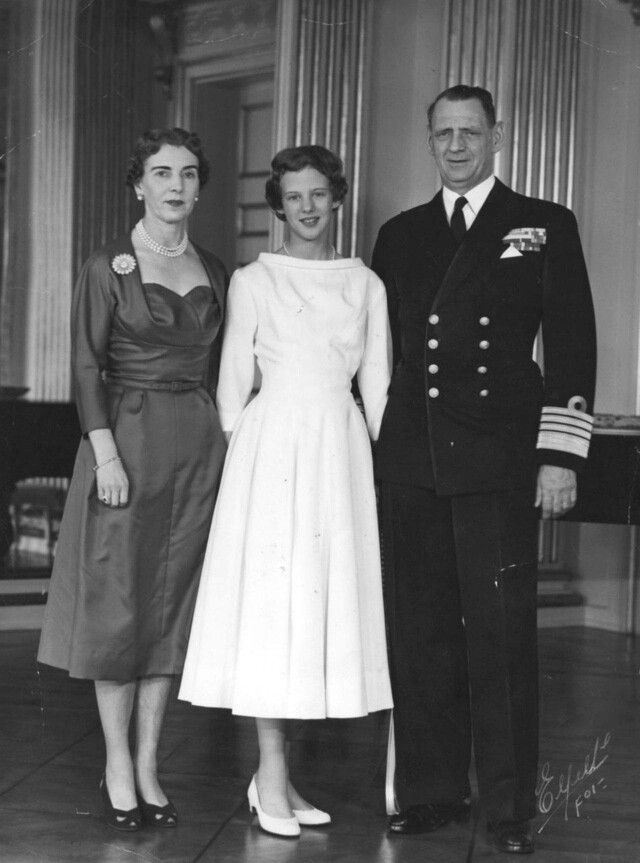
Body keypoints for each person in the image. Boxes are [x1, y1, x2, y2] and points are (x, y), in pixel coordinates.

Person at [371, 85, 596, 854]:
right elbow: (381, 354)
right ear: (429, 140)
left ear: (497, 136)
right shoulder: (400, 234)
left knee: (500, 637)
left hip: (500, 458)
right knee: (421, 632)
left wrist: (559, 455)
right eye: (444, 133)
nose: (457, 146)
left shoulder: (543, 223)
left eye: (471, 131)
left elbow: (572, 343)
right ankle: (431, 790)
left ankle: (508, 806)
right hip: (413, 459)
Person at [179, 144, 393, 837]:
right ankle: (269, 773)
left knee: (318, 612)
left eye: (318, 194)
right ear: (278, 205)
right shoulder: (254, 280)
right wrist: (253, 461)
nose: (307, 207)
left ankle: (279, 777)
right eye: (294, 196)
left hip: (339, 452)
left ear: (337, 200)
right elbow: (231, 388)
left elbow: (378, 386)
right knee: (274, 612)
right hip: (271, 453)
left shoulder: (365, 284)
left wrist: (374, 468)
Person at [37, 128, 228, 832]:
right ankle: (117, 763)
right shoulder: (108, 267)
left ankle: (149, 764)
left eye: (188, 173)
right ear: (138, 184)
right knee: (121, 607)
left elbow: (226, 368)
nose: (176, 185)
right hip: (126, 444)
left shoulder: (216, 267)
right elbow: (86, 366)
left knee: (171, 607)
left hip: (198, 449)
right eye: (162, 172)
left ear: (199, 187)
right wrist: (106, 455)